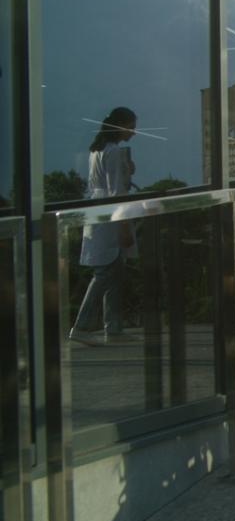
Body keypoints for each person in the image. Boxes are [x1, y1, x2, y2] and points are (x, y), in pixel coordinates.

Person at [70, 106, 139, 346]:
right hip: (110, 217)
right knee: (105, 273)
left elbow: (109, 186)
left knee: (114, 271)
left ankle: (114, 327)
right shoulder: (113, 152)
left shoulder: (97, 151)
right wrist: (122, 226)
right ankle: (82, 325)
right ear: (120, 126)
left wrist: (127, 172)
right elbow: (115, 191)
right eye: (131, 127)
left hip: (99, 213)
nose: (134, 132)